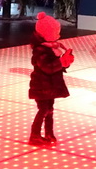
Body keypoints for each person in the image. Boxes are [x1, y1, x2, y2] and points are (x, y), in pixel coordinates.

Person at [28, 11, 75, 145]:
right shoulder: (40, 50)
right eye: (55, 33)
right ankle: (35, 134)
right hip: (41, 86)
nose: (58, 36)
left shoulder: (53, 48)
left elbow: (55, 67)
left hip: (50, 85)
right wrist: (61, 62)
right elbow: (47, 67)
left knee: (50, 110)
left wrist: (65, 62)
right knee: (44, 109)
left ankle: (49, 133)